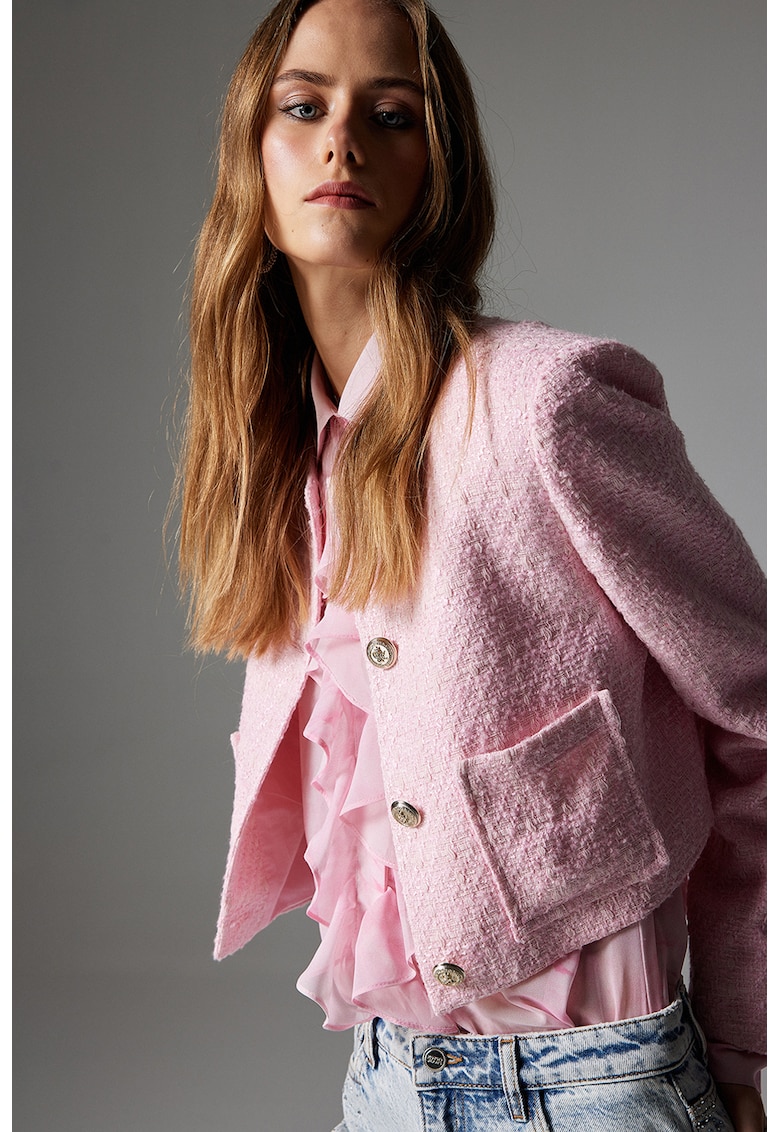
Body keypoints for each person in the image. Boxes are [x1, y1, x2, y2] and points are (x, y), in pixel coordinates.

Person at [173, 0, 767, 1127]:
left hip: (599, 1083)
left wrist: (744, 1035)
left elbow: (759, 712)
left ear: (438, 168)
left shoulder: (547, 404)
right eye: (304, 106)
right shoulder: (281, 458)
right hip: (389, 1079)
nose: (343, 143)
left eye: (391, 115)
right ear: (253, 146)